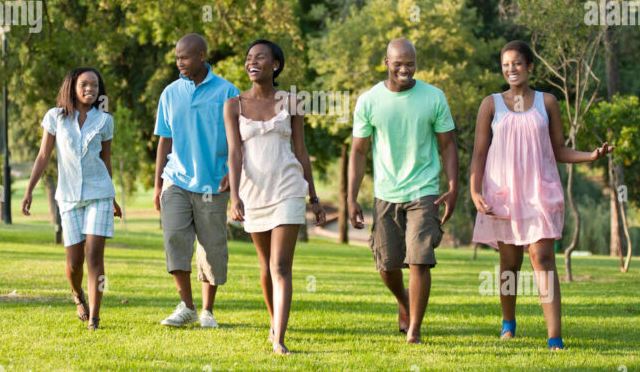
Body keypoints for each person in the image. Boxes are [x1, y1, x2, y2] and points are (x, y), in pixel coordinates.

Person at [469, 40, 614, 350]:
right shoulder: (490, 104)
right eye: (506, 64)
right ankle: (508, 324)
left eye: (517, 63)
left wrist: (591, 156)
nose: (511, 69)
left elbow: (558, 149)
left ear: (530, 67)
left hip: (539, 191)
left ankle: (555, 337)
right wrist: (473, 190)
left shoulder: (546, 103)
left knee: (543, 259)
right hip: (503, 193)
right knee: (510, 263)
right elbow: (479, 153)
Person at [347, 38, 459, 344]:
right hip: (385, 192)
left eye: (410, 63)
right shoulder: (369, 100)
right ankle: (404, 300)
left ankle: (415, 330)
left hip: (423, 189)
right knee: (387, 264)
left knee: (420, 258)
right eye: (398, 64)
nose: (405, 70)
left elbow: (447, 145)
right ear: (386, 63)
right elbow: (358, 151)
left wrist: (452, 186)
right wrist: (351, 197)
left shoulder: (434, 97)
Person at [223, 39, 327, 355]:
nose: (252, 62)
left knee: (281, 266)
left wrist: (313, 196)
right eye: (249, 58)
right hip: (254, 193)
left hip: (288, 188)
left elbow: (301, 150)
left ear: (275, 65)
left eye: (260, 57)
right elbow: (234, 153)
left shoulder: (293, 102)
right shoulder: (233, 105)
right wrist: (235, 196)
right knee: (266, 266)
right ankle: (273, 321)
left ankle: (279, 339)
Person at [22, 67, 122, 331]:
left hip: (99, 194)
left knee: (94, 257)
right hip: (68, 198)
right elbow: (43, 155)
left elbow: (106, 160)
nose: (90, 89)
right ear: (72, 86)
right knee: (73, 262)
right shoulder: (55, 117)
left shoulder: (105, 120)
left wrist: (112, 197)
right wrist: (29, 190)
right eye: (85, 84)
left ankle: (95, 318)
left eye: (95, 86)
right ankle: (78, 296)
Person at [154, 33, 239, 328]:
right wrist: (157, 184)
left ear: (202, 56)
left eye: (185, 57)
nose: (180, 63)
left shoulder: (228, 92)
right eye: (177, 58)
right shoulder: (170, 93)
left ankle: (207, 311)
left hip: (213, 181)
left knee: (211, 246)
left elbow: (237, 140)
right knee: (174, 237)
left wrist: (232, 171)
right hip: (175, 178)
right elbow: (165, 141)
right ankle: (186, 306)